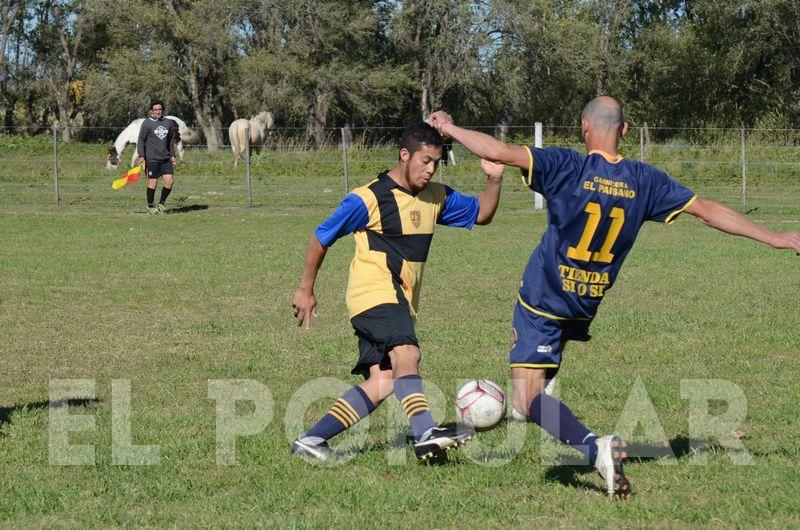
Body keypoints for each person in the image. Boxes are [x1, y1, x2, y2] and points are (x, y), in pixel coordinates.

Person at [428, 97, 800, 499]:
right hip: (586, 301)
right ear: (624, 131)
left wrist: (449, 127)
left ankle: (594, 447)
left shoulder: (566, 166)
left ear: (584, 127)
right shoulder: (645, 180)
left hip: (544, 298)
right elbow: (708, 210)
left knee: (527, 397)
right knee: (531, 390)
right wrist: (775, 238)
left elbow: (496, 151)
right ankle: (537, 398)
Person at [291, 122, 504, 462]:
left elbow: (482, 214)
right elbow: (322, 235)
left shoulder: (436, 196)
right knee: (407, 352)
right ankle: (425, 432)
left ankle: (311, 440)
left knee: (384, 381)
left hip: (396, 300)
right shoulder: (370, 197)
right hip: (374, 292)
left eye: (437, 161)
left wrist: (494, 178)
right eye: (425, 161)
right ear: (404, 156)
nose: (431, 168)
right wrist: (306, 289)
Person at [136, 100, 178, 214]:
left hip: (165, 159)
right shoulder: (147, 123)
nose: (158, 112)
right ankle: (150, 206)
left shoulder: (168, 122)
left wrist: (173, 155)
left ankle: (161, 204)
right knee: (152, 184)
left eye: (160, 109)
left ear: (163, 110)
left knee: (169, 182)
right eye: (155, 110)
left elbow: (170, 141)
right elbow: (141, 140)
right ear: (151, 111)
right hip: (152, 159)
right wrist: (141, 155)